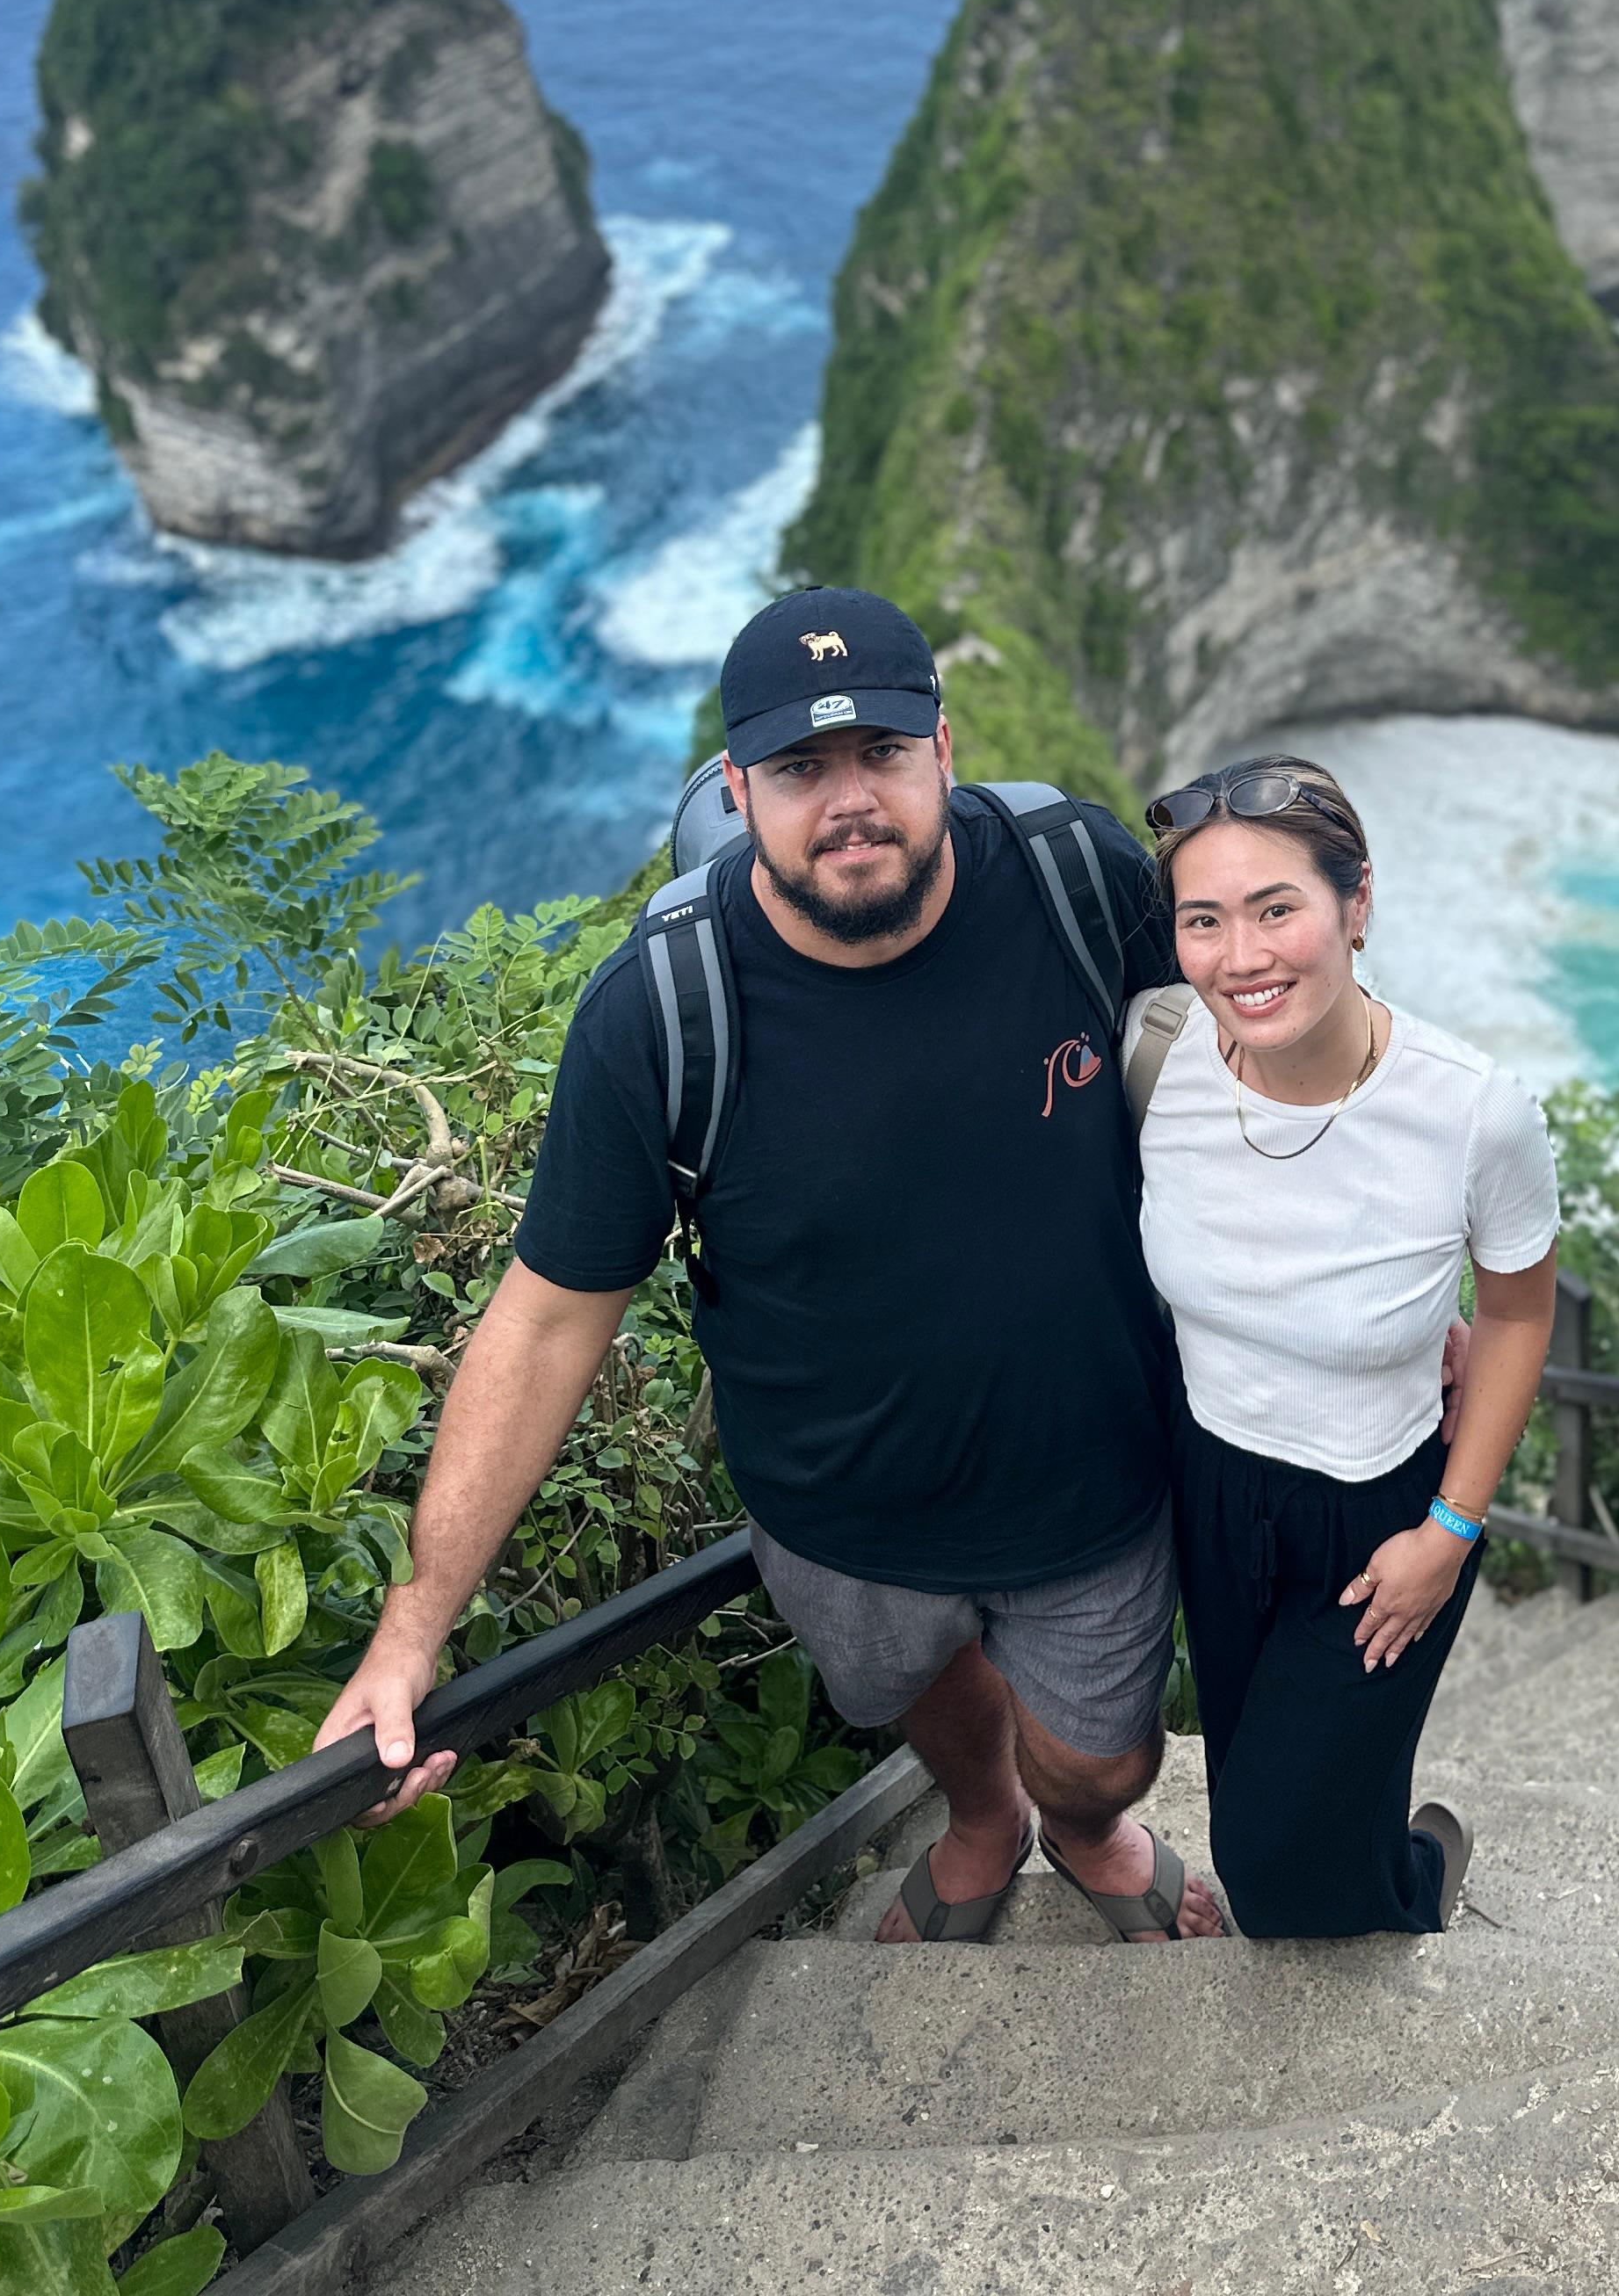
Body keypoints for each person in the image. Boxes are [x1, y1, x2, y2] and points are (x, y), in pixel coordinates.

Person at [315, 587, 1224, 1946]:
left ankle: (1085, 1823)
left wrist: (1395, 1301)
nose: (849, 801)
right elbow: (551, 1319)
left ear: (944, 752)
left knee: (1104, 1757)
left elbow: (1264, 1043)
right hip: (836, 1515)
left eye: (882, 756)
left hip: (1092, 1476)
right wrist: (412, 1630)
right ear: (738, 789)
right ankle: (984, 1821)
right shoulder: (665, 1012)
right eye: (802, 768)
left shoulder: (1075, 877)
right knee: (918, 1697)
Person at [1134, 753, 1559, 1937]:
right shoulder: (1156, 1061)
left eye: (1279, 909)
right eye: (1204, 921)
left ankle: (1418, 1876)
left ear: (1356, 906)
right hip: (1212, 1486)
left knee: (1266, 1874)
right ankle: (1373, 1842)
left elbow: (1520, 1315)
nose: (1244, 956)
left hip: (1386, 1511)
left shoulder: (1472, 1109)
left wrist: (1453, 1528)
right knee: (1274, 1783)